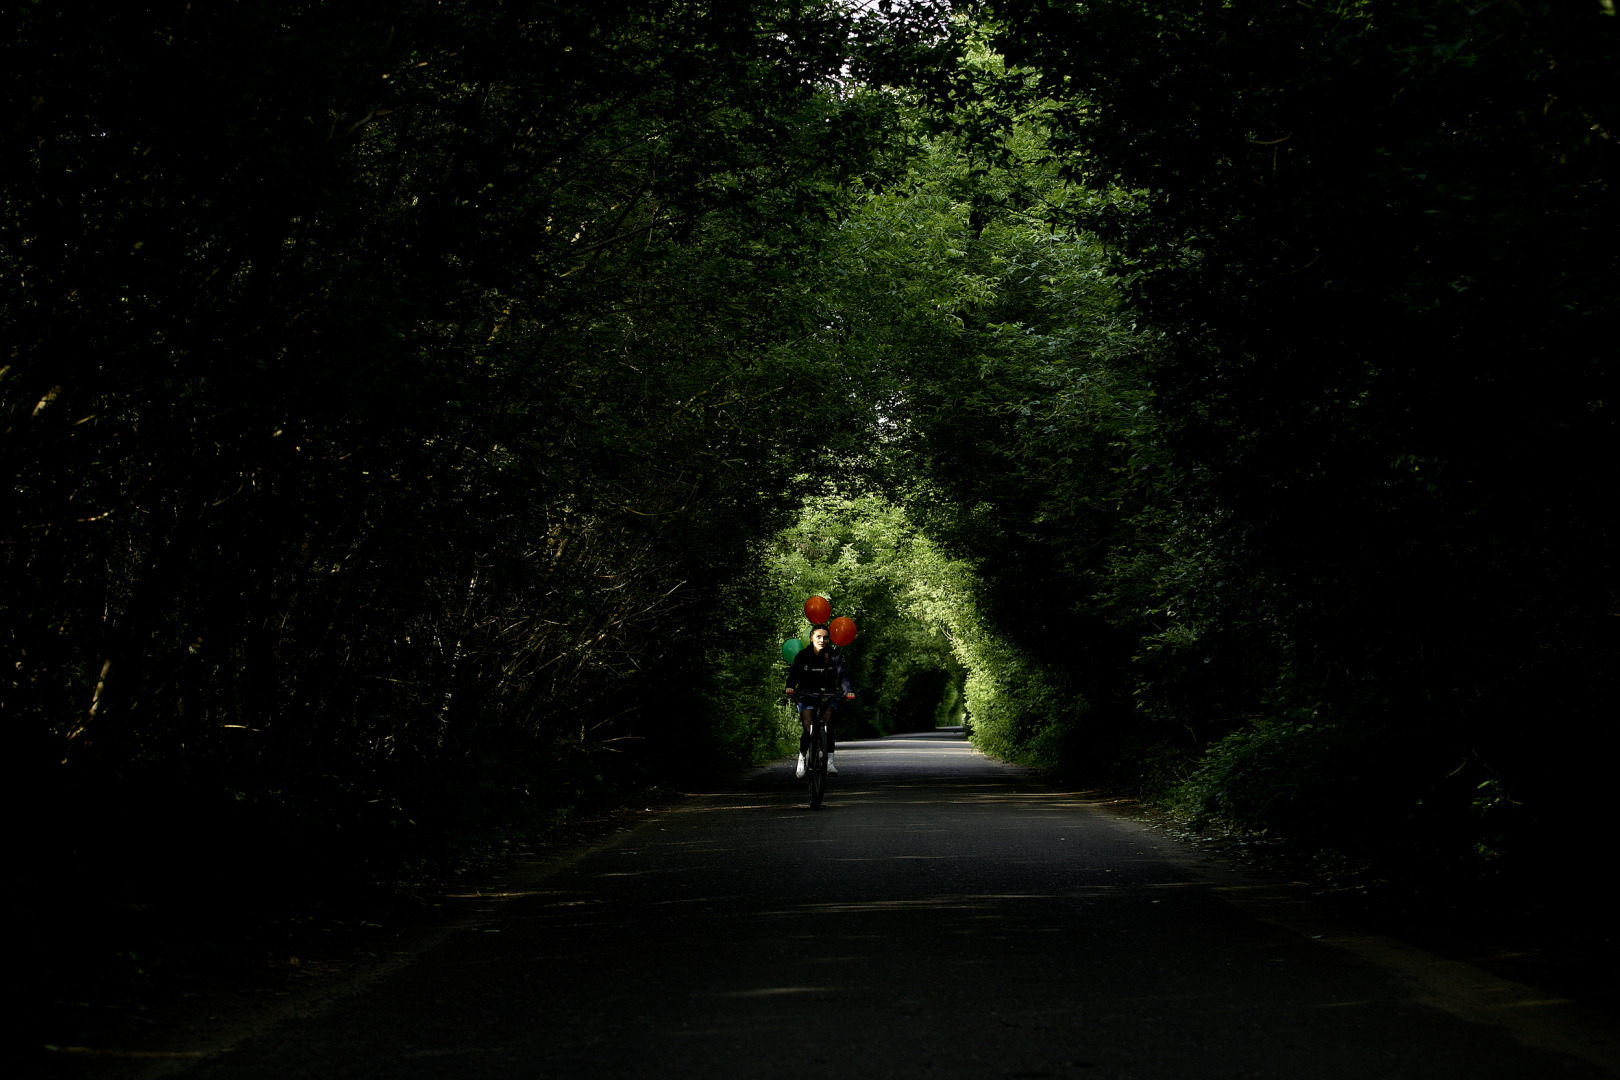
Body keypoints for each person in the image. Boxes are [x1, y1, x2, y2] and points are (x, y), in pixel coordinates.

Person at [784, 623, 855, 777]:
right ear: (811, 638)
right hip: (806, 696)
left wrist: (848, 691)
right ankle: (802, 759)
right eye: (818, 637)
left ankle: (829, 762)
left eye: (825, 637)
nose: (822, 640)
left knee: (828, 722)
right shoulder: (802, 656)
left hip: (828, 696)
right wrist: (790, 687)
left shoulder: (835, 656)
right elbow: (794, 674)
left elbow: (843, 675)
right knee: (808, 727)